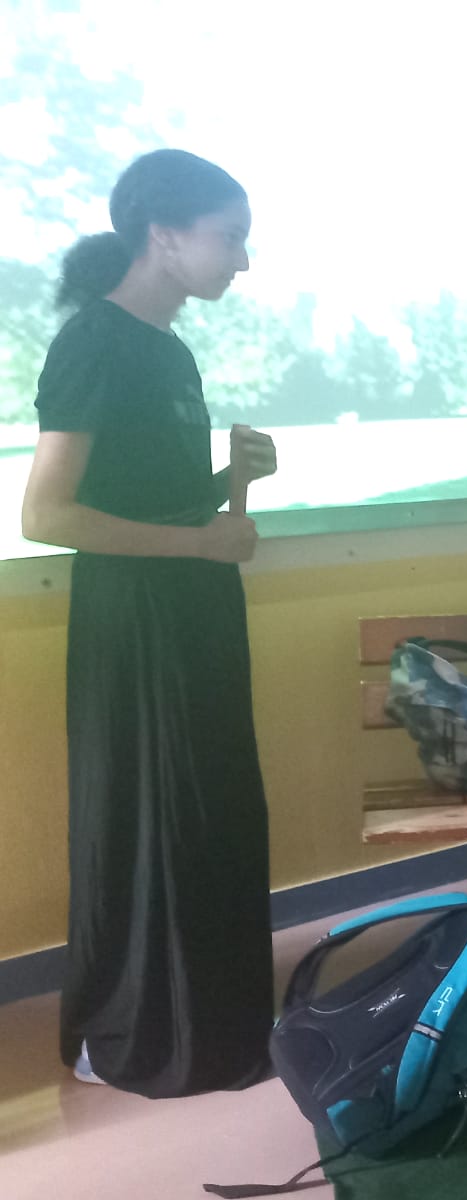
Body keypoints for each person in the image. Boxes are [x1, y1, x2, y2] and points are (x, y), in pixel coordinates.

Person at [20, 149, 279, 1096]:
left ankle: (212, 1021)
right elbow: (45, 515)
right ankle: (129, 1030)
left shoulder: (170, 349)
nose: (242, 260)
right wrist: (201, 544)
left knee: (208, 811)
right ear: (163, 236)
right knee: (149, 817)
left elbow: (158, 503)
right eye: (230, 238)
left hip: (193, 612)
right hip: (134, 627)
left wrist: (231, 481)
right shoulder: (93, 341)